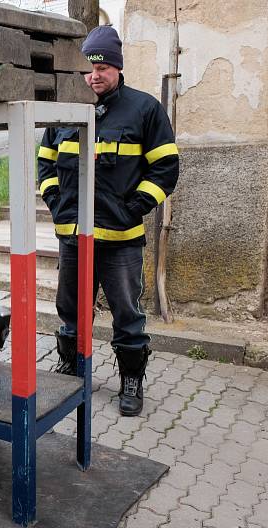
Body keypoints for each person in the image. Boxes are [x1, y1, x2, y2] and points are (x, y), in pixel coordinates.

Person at [37, 26, 179, 417]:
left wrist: (133, 209)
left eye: (102, 67)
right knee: (70, 309)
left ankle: (131, 380)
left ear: (117, 67)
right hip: (73, 237)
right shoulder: (65, 110)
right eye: (88, 68)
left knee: (127, 314)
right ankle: (72, 367)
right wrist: (55, 201)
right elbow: (45, 164)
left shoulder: (144, 109)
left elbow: (166, 169)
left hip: (121, 241)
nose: (94, 75)